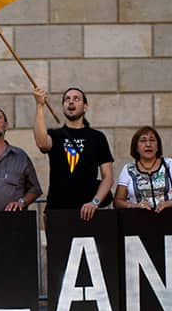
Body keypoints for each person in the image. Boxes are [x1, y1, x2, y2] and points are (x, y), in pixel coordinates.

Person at [32, 86, 114, 221]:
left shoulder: (97, 137)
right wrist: (40, 106)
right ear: (63, 106)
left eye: (76, 99)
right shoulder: (55, 135)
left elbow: (108, 177)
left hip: (88, 212)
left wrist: (95, 202)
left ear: (85, 106)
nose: (71, 102)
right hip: (57, 210)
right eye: (67, 99)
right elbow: (41, 143)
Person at [113, 126, 172, 211]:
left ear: (157, 146)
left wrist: (170, 203)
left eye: (152, 140)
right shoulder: (128, 169)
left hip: (168, 219)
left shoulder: (168, 164)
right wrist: (134, 206)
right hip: (137, 220)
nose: (148, 144)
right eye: (143, 141)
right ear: (136, 148)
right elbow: (117, 201)